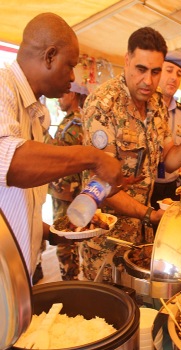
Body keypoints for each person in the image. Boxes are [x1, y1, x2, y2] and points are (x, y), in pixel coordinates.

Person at [0, 12, 123, 281]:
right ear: (49, 56)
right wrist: (94, 158)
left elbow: (16, 200)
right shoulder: (2, 85)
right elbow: (11, 164)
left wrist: (51, 232)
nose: (73, 77)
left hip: (20, 272)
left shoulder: (36, 111)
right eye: (70, 66)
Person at [80, 27, 181, 281]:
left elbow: (168, 160)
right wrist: (150, 215)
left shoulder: (157, 104)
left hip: (140, 240)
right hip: (105, 241)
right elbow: (101, 184)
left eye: (156, 71)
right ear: (126, 61)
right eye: (141, 69)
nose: (148, 80)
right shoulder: (103, 105)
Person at [48, 82, 89, 280]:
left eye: (63, 93)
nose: (59, 98)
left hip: (67, 194)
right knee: (66, 241)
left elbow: (66, 156)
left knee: (64, 240)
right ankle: (71, 278)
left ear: (73, 94)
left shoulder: (77, 123)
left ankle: (70, 282)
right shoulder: (69, 121)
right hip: (64, 192)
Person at [151, 51, 181, 210]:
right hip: (148, 186)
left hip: (172, 185)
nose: (174, 77)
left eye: (179, 73)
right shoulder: (145, 108)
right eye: (169, 70)